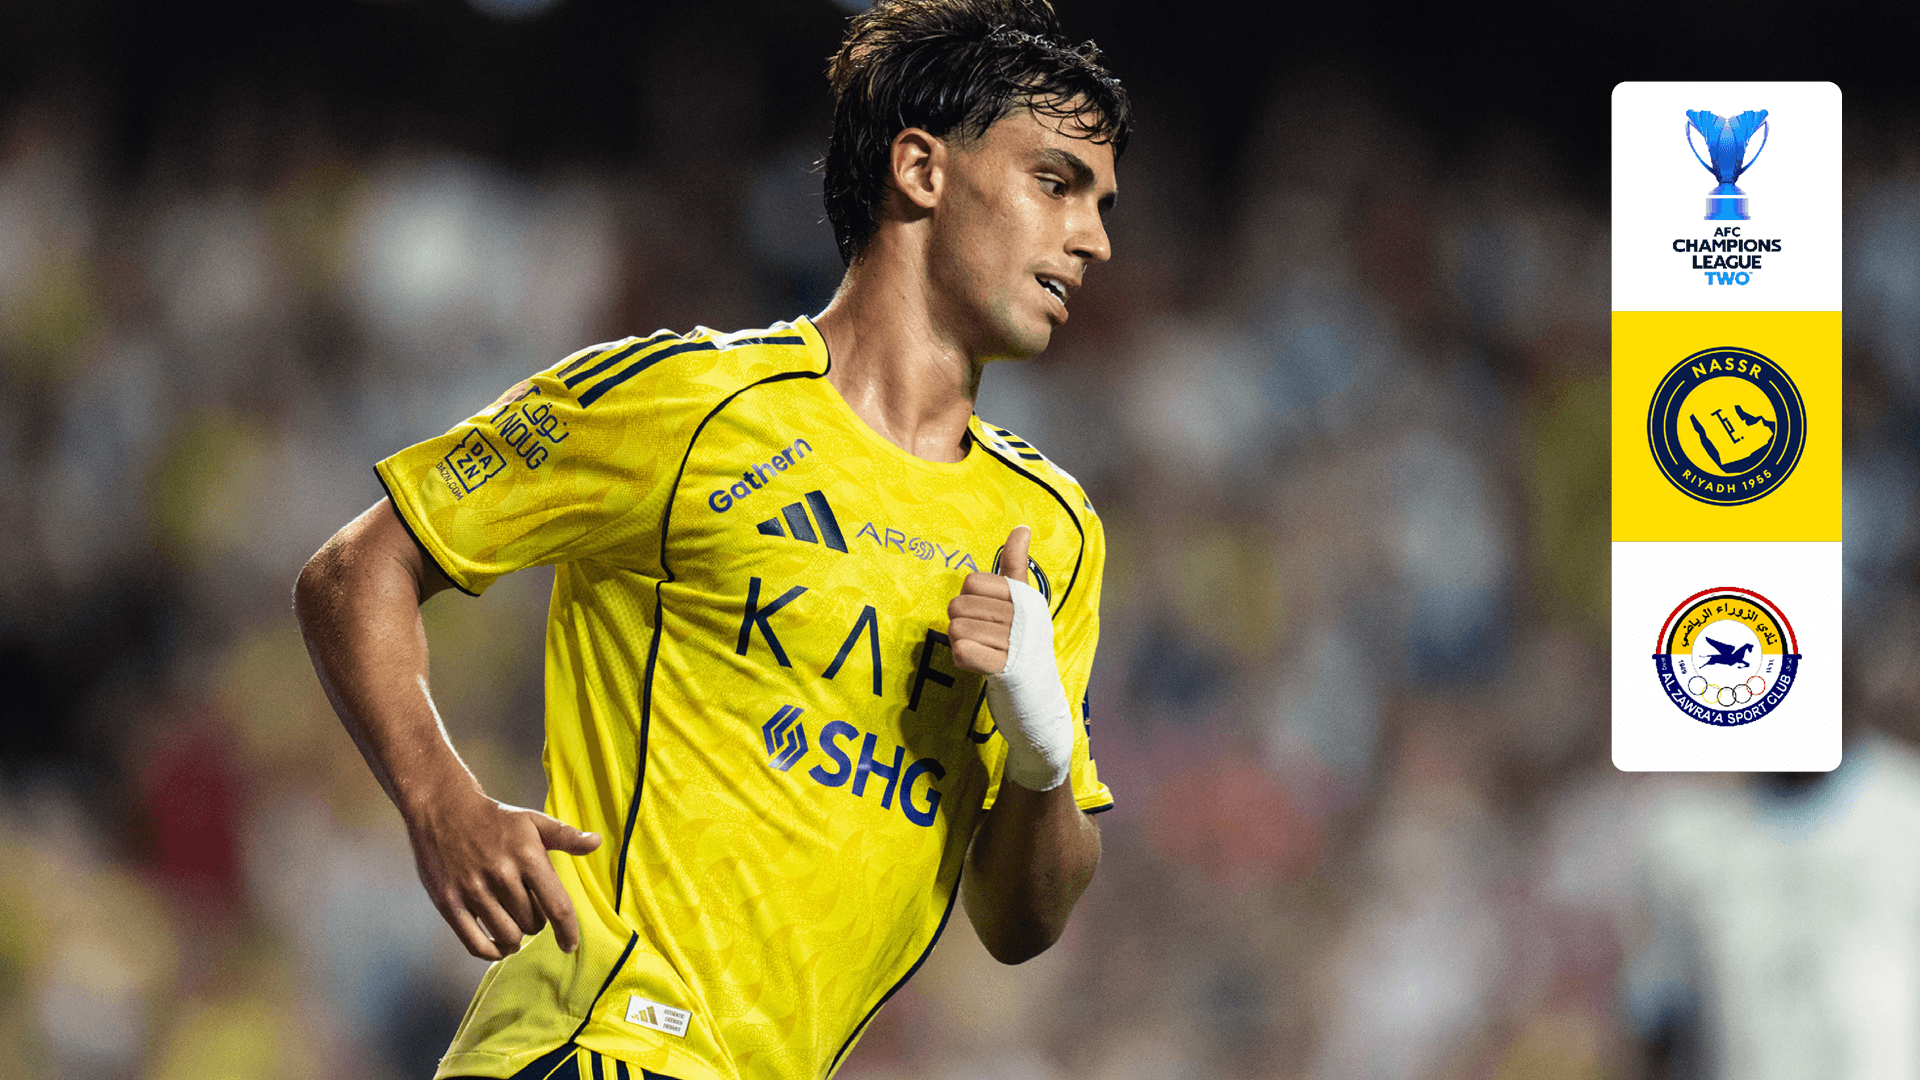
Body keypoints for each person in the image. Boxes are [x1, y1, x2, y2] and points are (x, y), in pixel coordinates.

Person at [293, 1, 1129, 1076]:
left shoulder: (1050, 532)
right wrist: (441, 801)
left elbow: (1022, 923)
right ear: (922, 170)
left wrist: (1042, 754)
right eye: (1056, 183)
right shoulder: (691, 406)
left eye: (1101, 204)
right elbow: (359, 568)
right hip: (597, 1044)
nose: (1094, 238)